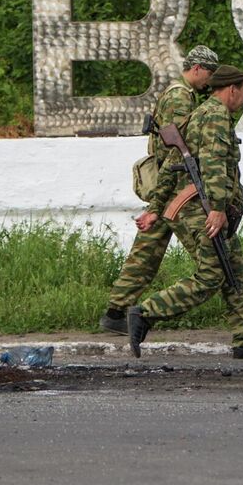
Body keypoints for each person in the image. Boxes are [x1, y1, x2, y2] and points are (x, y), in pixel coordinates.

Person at [128, 64, 243, 359]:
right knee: (211, 276)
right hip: (202, 209)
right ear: (232, 89)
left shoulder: (198, 114)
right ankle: (145, 313)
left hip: (196, 206)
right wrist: (218, 209)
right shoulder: (215, 116)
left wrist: (155, 209)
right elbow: (213, 165)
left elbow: (170, 166)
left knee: (238, 273)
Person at [98, 45, 219, 334]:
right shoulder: (180, 96)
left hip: (166, 191)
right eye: (209, 74)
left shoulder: (176, 92)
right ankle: (242, 310)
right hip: (176, 188)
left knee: (146, 252)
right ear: (198, 68)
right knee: (213, 253)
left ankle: (115, 312)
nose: (210, 81)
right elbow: (179, 146)